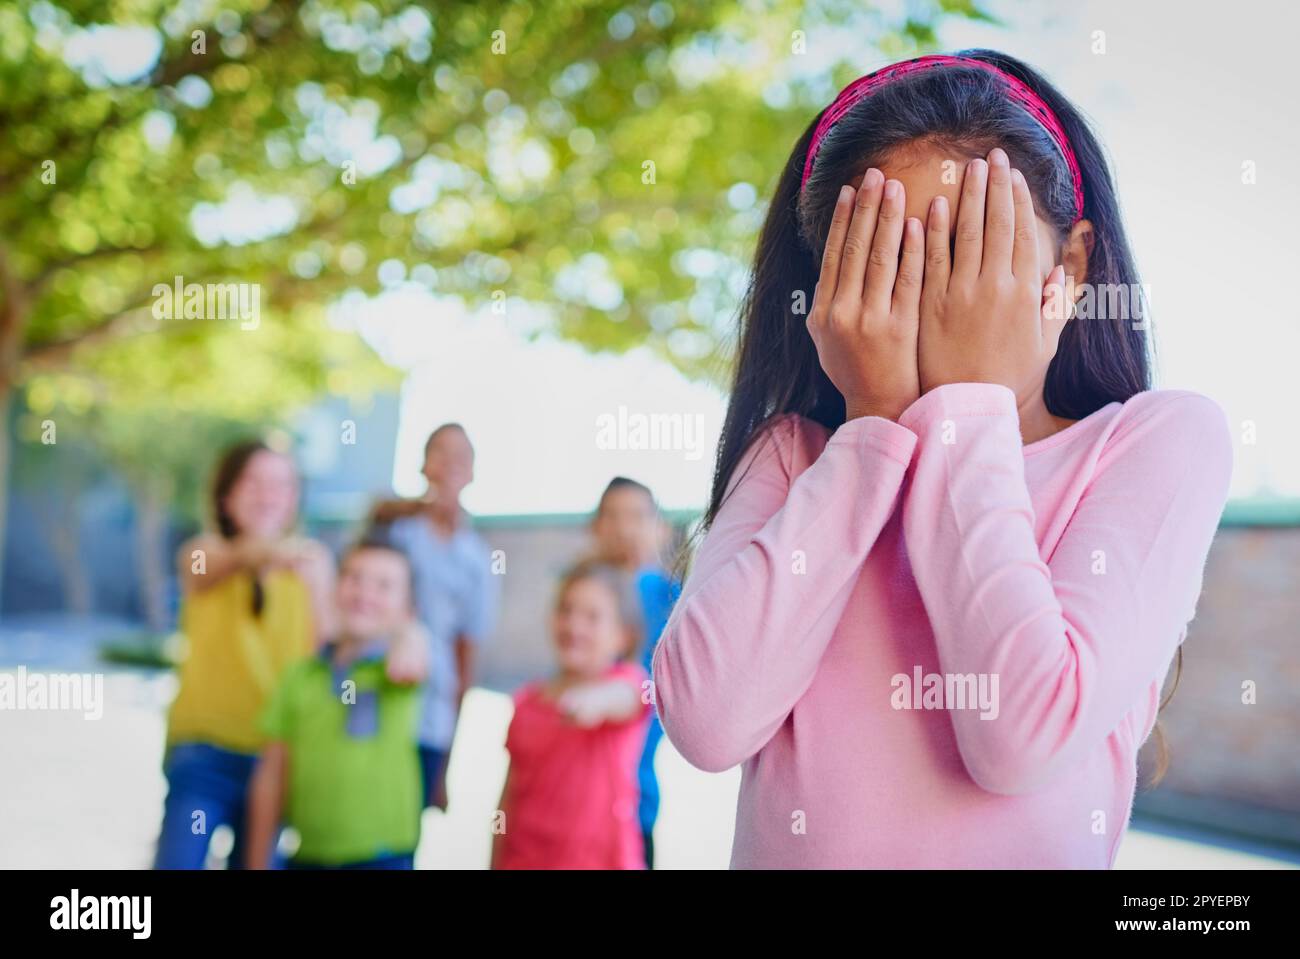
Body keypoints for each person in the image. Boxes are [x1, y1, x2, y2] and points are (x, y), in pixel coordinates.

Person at [652, 51, 1233, 868]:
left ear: (1067, 267)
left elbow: (1021, 732)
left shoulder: (1158, 443)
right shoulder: (792, 457)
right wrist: (872, 428)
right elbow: (707, 723)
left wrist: (963, 412)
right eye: (888, 263)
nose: (937, 299)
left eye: (970, 253)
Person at [155, 440, 425, 870]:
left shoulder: (311, 565)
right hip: (204, 755)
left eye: (281, 484)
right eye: (254, 482)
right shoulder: (204, 553)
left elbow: (336, 639)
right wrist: (268, 552)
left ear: (294, 497)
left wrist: (410, 633)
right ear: (226, 495)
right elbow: (207, 569)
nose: (267, 494)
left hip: (274, 758)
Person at [244, 541, 427, 870]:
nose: (364, 593)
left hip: (384, 857)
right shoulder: (299, 677)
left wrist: (411, 634)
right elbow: (271, 777)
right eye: (354, 578)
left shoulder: (395, 672)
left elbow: (412, 660)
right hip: (308, 855)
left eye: (384, 586)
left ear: (408, 610)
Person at [369, 423, 499, 812]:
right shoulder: (395, 530)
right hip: (375, 697)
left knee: (407, 826)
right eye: (440, 452)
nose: (451, 463)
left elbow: (465, 658)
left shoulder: (477, 558)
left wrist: (448, 763)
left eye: (463, 455)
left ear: (473, 471)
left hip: (430, 717)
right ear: (424, 465)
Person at [492, 561, 651, 870]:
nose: (574, 625)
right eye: (566, 610)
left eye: (592, 617)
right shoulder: (526, 703)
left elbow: (630, 696)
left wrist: (596, 700)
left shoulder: (627, 681)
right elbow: (508, 798)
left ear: (624, 636)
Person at [589, 477, 679, 868]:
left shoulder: (675, 597)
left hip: (635, 794)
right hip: (577, 792)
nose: (625, 529)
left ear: (661, 530)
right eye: (613, 517)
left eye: (637, 517)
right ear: (596, 529)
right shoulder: (584, 596)